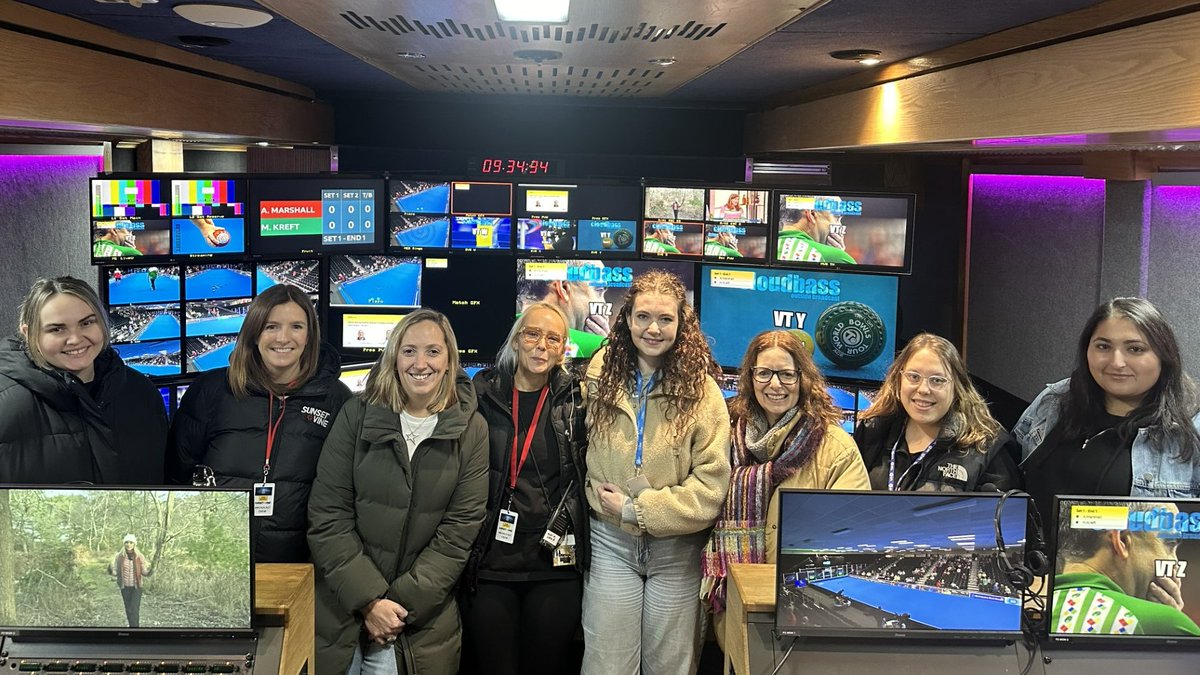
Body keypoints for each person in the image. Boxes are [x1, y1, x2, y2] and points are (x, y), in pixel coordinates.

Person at [308, 309, 488, 675]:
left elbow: (457, 535)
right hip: (342, 610)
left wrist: (395, 606)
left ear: (450, 359)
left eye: (433, 352)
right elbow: (328, 515)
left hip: (417, 623)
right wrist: (368, 601)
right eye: (409, 351)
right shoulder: (356, 414)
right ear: (393, 357)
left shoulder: (472, 429)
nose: (420, 363)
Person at [582, 269, 731, 675]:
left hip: (677, 550)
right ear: (627, 319)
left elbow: (710, 489)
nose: (653, 328)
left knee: (671, 666)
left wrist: (639, 508)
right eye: (643, 316)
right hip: (611, 543)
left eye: (666, 319)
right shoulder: (598, 377)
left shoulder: (704, 392)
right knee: (606, 664)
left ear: (682, 324)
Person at [167, 284, 352, 563]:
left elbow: (342, 493)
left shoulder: (336, 399)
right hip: (215, 555)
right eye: (271, 326)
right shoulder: (211, 390)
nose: (283, 338)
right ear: (254, 334)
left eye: (296, 327)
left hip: (299, 563)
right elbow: (176, 476)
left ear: (309, 336)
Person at [701, 330, 869, 628]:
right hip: (734, 604)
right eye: (764, 373)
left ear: (802, 379)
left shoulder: (835, 446)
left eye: (786, 374)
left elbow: (852, 533)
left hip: (803, 607)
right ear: (750, 378)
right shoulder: (722, 438)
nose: (775, 384)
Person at [461, 302, 589, 675]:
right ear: (516, 341)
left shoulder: (576, 400)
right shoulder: (481, 394)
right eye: (532, 334)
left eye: (553, 339)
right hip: (491, 565)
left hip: (554, 565)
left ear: (564, 348)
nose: (541, 346)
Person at [1016, 298, 1200, 518]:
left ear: (1164, 355)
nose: (1117, 362)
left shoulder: (1191, 426)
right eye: (1103, 346)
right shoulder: (1056, 399)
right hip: (1033, 552)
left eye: (1135, 349)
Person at [0, 276, 167, 484]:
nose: (76, 339)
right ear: (28, 333)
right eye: (56, 329)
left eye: (87, 323)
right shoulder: (5, 406)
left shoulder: (142, 393)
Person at [855, 333, 1020, 491]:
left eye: (937, 380)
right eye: (913, 377)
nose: (924, 389)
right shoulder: (872, 433)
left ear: (957, 387)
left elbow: (1007, 517)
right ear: (898, 380)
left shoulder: (987, 448)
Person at [1052, 499, 1199, 635]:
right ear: (1122, 541)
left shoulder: (1035, 611)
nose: (1174, 562)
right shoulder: (1164, 622)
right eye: (1169, 544)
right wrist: (1172, 621)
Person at [515, 259, 610, 357]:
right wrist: (604, 350)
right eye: (599, 290)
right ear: (563, 288)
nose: (603, 303)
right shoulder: (594, 347)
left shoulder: (506, 331)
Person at [776, 196, 854, 264]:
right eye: (836, 217)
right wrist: (838, 257)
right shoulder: (835, 257)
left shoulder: (768, 249)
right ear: (812, 215)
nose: (839, 225)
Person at [109, 534, 152, 628]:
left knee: (134, 609)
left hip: (137, 587)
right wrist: (111, 570)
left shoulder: (139, 556)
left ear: (134, 544)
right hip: (125, 587)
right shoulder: (119, 556)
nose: (129, 544)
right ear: (124, 544)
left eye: (131, 542)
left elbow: (144, 571)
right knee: (128, 609)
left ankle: (135, 629)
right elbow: (115, 571)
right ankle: (132, 628)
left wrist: (150, 571)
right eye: (127, 542)